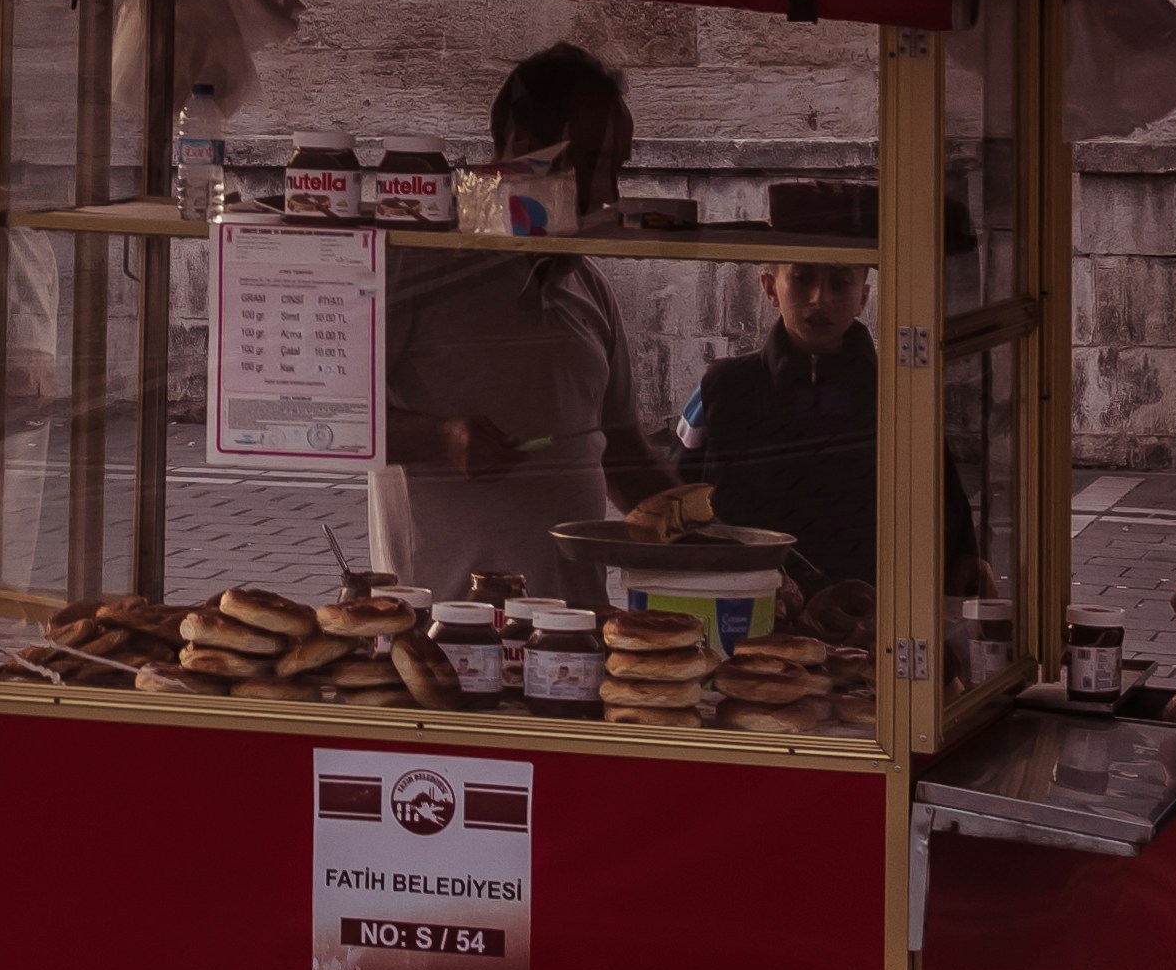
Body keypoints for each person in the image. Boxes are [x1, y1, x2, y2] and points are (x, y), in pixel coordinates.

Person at [374, 37, 660, 616]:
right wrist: (440, 436)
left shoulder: (588, 288)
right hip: (446, 621)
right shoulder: (420, 261)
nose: (610, 194)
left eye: (618, 169)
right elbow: (326, 418)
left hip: (571, 626)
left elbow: (622, 448)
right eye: (595, 167)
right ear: (527, 150)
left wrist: (712, 539)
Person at [685, 256, 880, 630]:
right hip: (743, 605)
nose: (819, 299)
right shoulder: (725, 387)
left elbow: (940, 506)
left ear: (863, 298)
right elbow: (682, 496)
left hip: (866, 616)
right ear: (770, 288)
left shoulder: (892, 391)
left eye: (840, 284)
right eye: (802, 280)